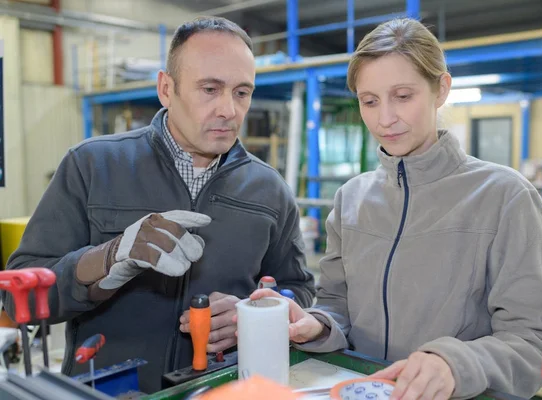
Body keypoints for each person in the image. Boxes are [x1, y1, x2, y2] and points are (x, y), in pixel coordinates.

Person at [2, 16, 315, 393]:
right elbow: (18, 291)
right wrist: (105, 258)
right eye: (210, 88)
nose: (229, 110)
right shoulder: (92, 166)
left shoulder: (270, 190)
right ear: (166, 88)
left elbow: (296, 286)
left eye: (241, 92)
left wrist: (256, 313)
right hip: (106, 388)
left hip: (221, 388)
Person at [251, 18, 542, 400]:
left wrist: (454, 364)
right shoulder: (351, 199)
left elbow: (534, 341)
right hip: (358, 390)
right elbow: (337, 304)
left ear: (441, 89)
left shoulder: (505, 197)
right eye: (370, 101)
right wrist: (316, 324)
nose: (385, 118)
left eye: (403, 96)